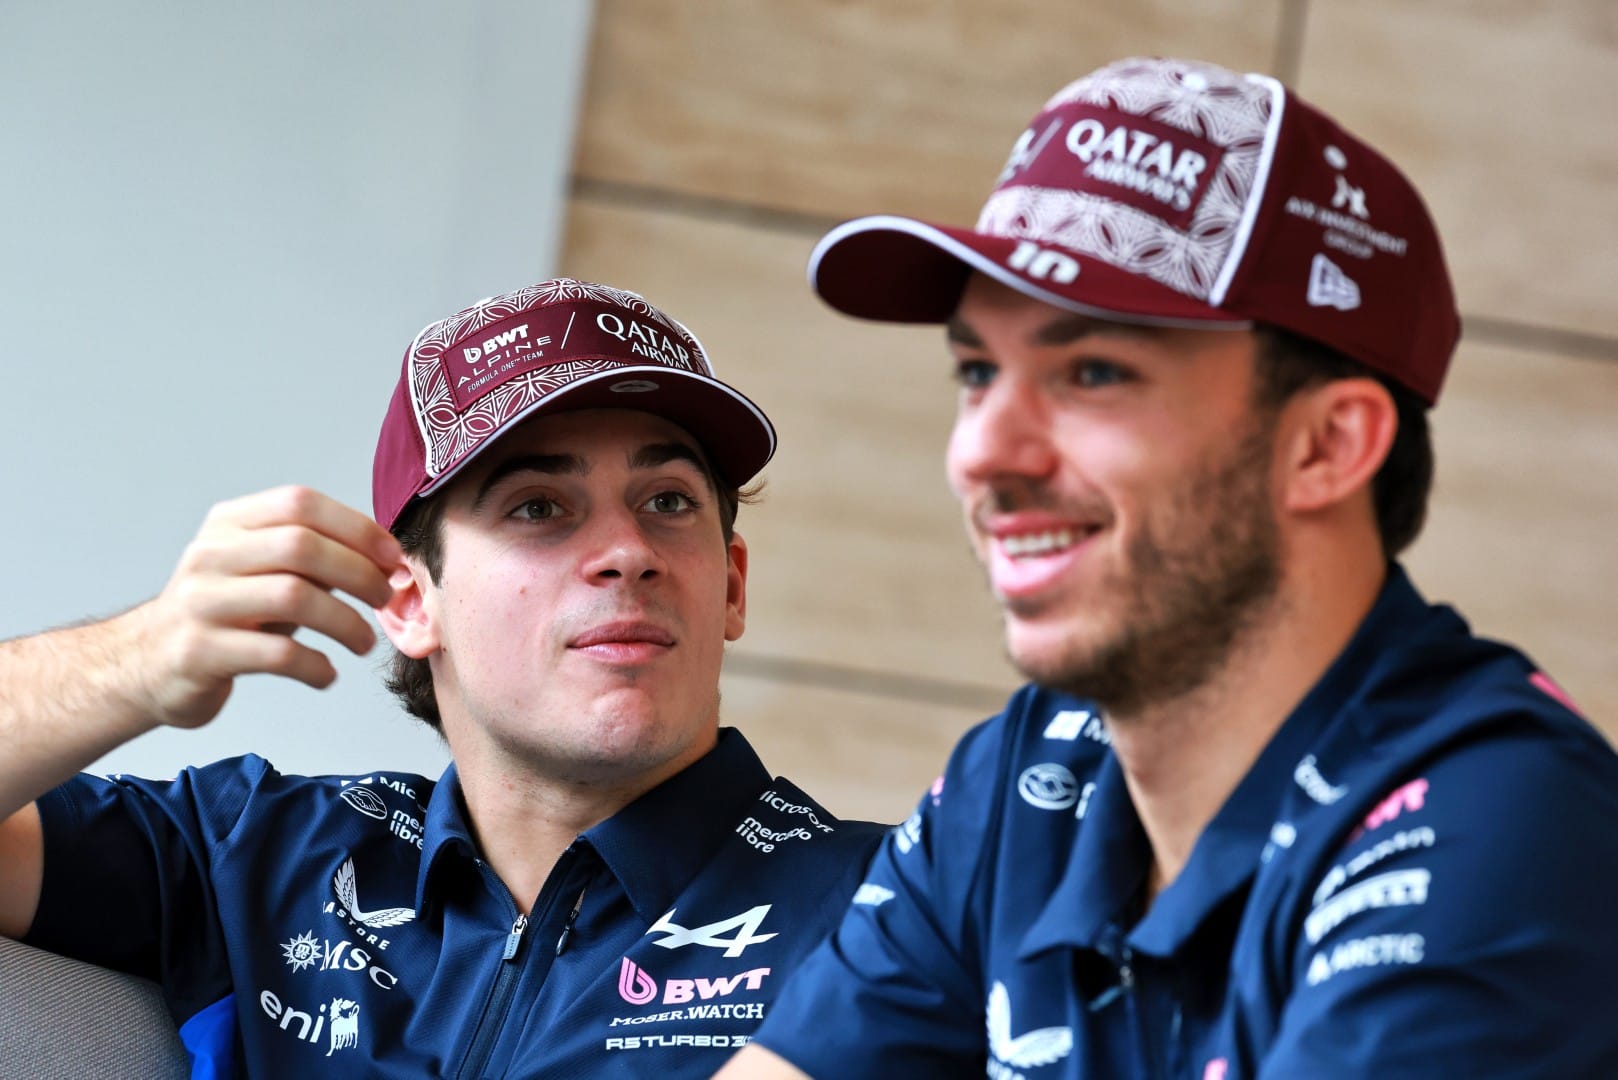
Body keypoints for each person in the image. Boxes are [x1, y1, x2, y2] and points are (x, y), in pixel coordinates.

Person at [719, 55, 1618, 1078]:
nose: (980, 451)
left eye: (1091, 372)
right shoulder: (1023, 778)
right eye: (978, 371)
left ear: (1324, 448)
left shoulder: (1497, 826)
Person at [0, 277, 887, 1077]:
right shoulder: (264, 854)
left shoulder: (898, 905)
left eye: (668, 503)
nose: (628, 552)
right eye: (539, 507)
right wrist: (135, 660)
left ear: (730, 585)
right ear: (413, 602)